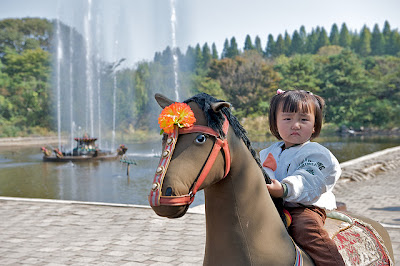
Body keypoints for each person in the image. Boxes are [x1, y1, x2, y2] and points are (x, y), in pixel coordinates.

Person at [260, 89, 345, 266]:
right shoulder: (267, 153)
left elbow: (308, 178)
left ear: (314, 125)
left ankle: (333, 262)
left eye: (304, 119)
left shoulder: (317, 154)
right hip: (272, 205)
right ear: (275, 124)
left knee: (306, 229)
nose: (296, 125)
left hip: (304, 207)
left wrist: (284, 189)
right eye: (287, 119)